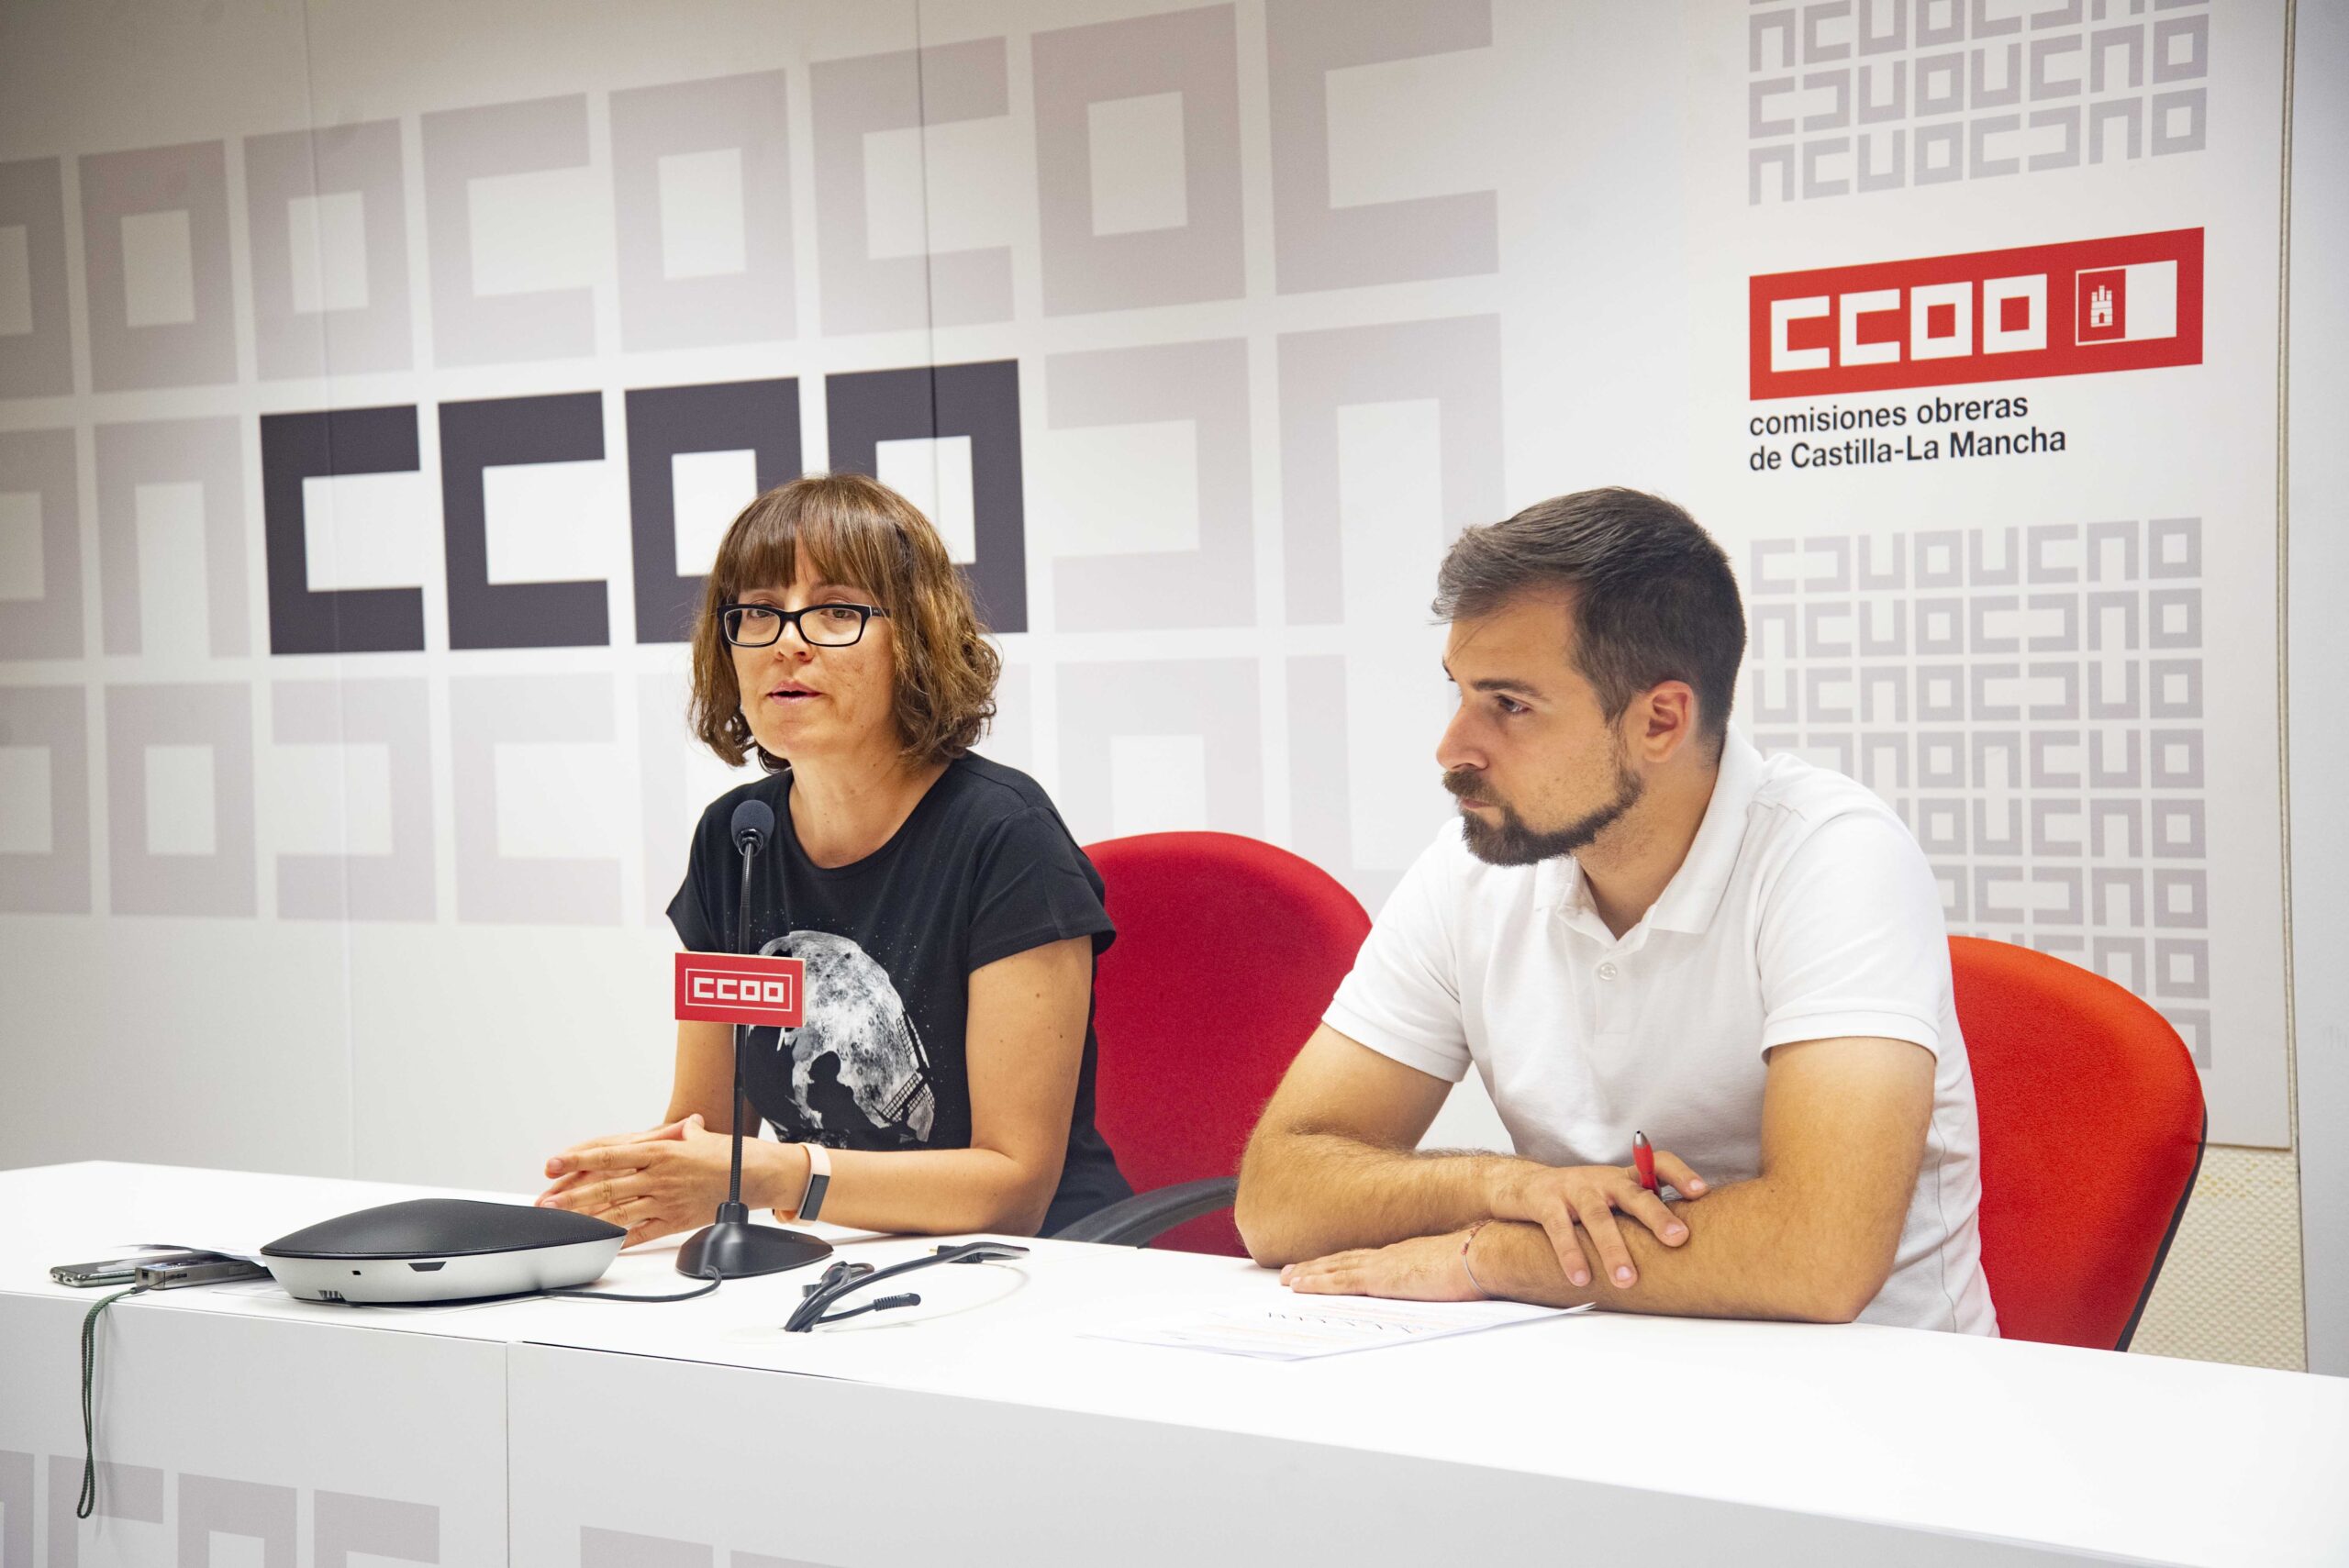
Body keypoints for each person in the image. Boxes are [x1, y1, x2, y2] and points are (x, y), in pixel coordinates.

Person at [1234, 487, 1997, 1333]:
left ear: (1660, 721)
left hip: (1879, 1405)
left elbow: (1817, 1256)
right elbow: (1275, 1200)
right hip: (1595, 1373)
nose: (1452, 749)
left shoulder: (1834, 854)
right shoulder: (1468, 869)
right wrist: (1499, 1184)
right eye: (1458, 691)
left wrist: (1482, 1254)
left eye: (1510, 705)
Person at [537, 473, 1131, 1242]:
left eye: (837, 611)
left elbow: (1012, 1184)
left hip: (1045, 1269)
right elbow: (710, 1132)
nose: (788, 641)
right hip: (847, 1253)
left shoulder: (1004, 835)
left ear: (914, 639)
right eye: (758, 612)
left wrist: (784, 1175)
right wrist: (620, 1191)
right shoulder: (737, 840)